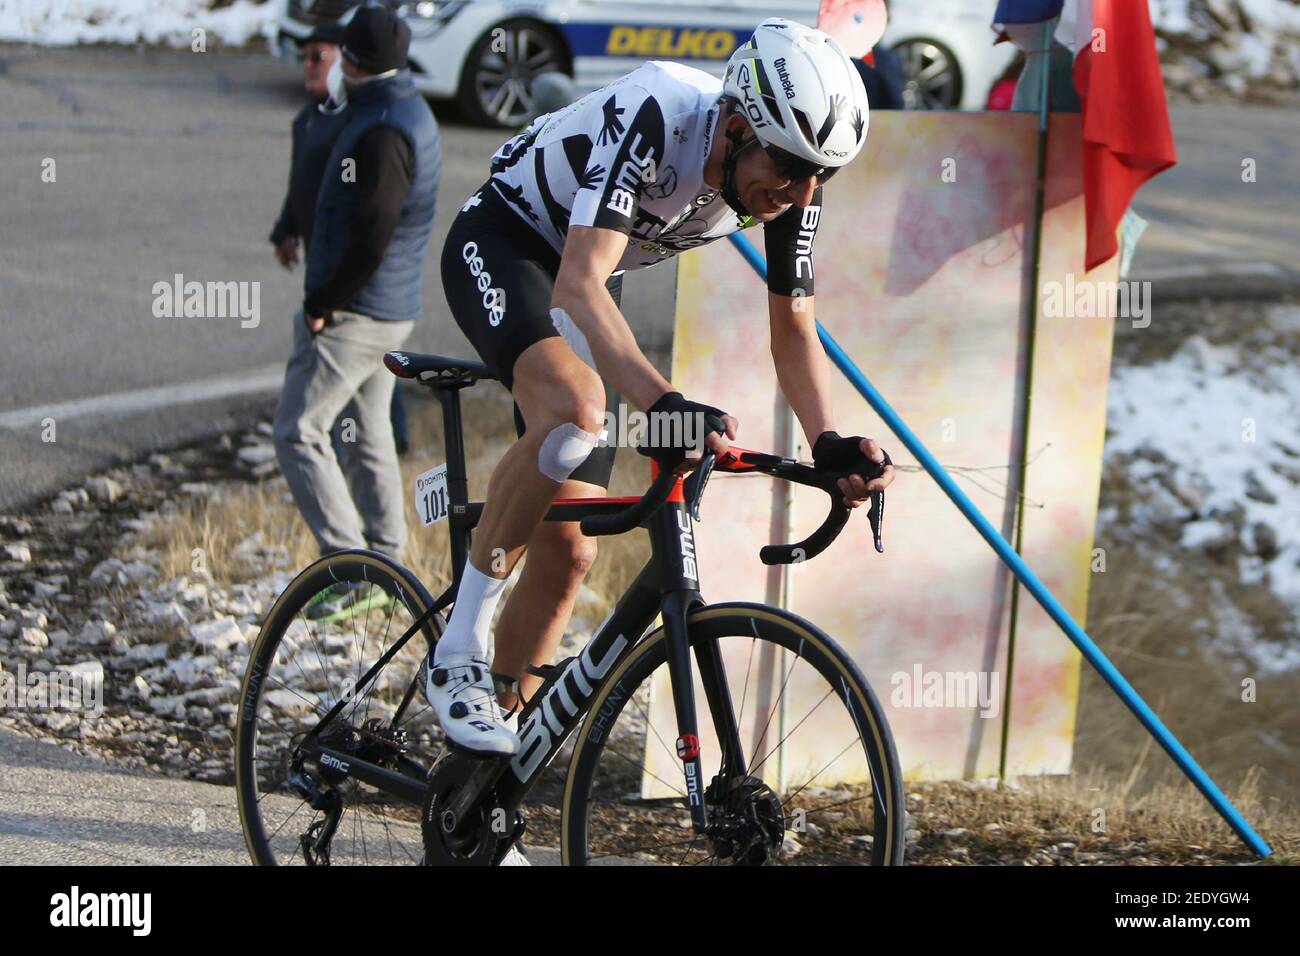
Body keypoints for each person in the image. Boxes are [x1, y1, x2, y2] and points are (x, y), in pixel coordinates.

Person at [422, 16, 896, 765]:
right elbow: (577, 282)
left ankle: (477, 792)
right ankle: (457, 653)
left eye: (821, 177)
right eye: (791, 168)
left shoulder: (788, 179)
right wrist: (662, 400)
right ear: (737, 127)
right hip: (508, 241)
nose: (803, 192)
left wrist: (828, 441)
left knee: (569, 553)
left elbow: (794, 326)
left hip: (585, 278)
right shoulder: (659, 111)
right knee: (573, 410)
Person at [272, 5, 440, 565]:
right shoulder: (395, 106)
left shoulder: (384, 129)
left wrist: (325, 301)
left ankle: (347, 571)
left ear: (357, 61)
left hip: (358, 314)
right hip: (385, 307)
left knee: (299, 431)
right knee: (367, 434)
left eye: (341, 54)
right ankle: (388, 563)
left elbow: (374, 232)